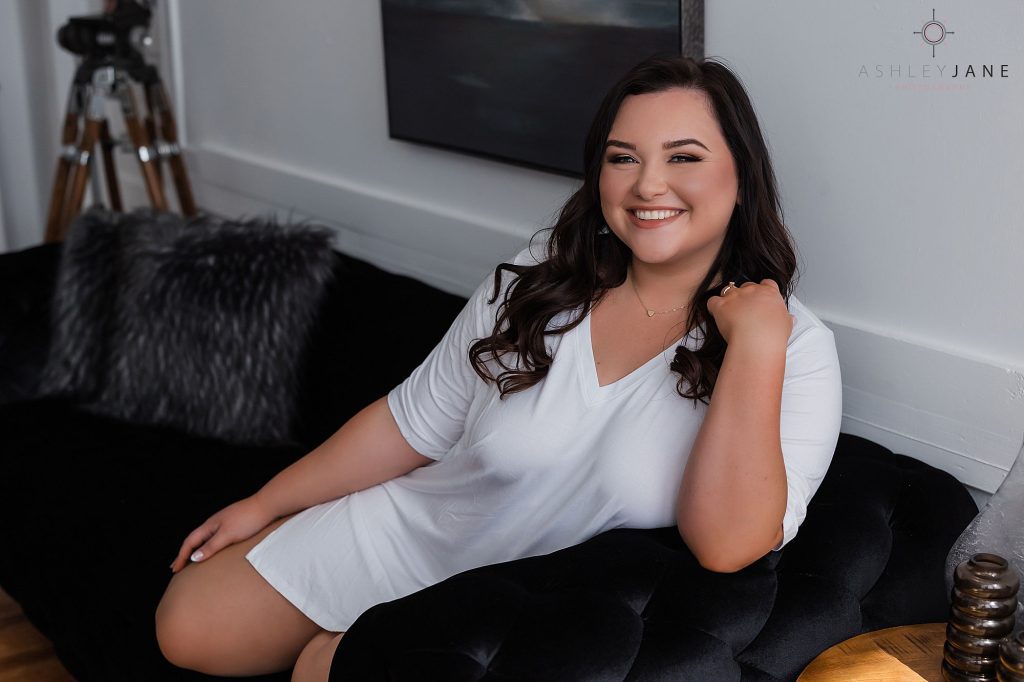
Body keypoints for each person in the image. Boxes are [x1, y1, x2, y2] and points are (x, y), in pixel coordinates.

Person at [155, 54, 842, 681]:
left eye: (683, 156)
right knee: (186, 625)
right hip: (420, 535)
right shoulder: (542, 279)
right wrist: (265, 503)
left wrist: (754, 345)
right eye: (623, 158)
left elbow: (727, 545)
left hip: (505, 608)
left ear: (741, 177)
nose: (647, 184)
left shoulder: (796, 349)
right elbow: (409, 424)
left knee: (325, 668)